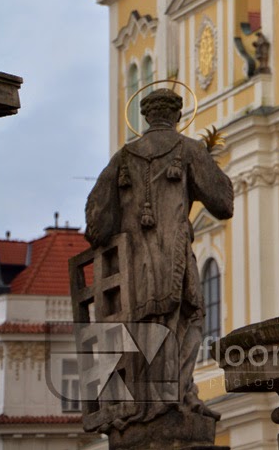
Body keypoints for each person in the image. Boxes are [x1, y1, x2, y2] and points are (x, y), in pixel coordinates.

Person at [84, 88, 233, 432]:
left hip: (130, 271)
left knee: (138, 331)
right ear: (178, 116)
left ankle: (144, 401)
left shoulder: (121, 159)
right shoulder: (188, 151)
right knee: (188, 323)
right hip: (174, 263)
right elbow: (223, 203)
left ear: (145, 118)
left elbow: (96, 226)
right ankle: (177, 396)